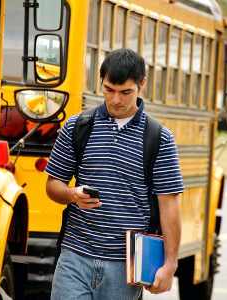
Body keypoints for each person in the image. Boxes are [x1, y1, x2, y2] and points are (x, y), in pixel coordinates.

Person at [45, 48, 184, 300]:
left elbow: (169, 204)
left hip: (125, 267)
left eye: (125, 92)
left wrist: (170, 263)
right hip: (74, 256)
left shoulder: (159, 138)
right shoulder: (77, 127)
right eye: (109, 89)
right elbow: (53, 184)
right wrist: (72, 194)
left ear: (142, 84)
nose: (116, 100)